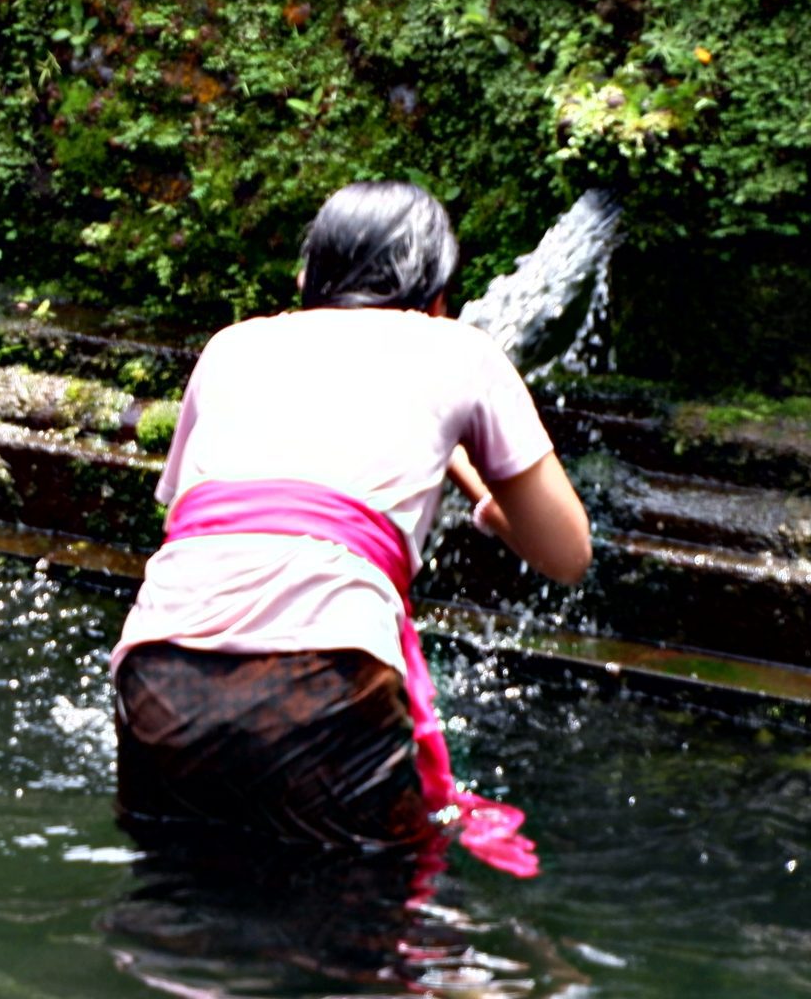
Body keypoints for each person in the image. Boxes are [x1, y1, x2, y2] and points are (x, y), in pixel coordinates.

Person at [112, 180, 591, 875]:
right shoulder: (458, 349)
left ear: (309, 278)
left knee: (187, 894)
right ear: (436, 297)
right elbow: (566, 554)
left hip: (156, 668)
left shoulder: (233, 349)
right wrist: (481, 493)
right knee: (376, 934)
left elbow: (201, 526)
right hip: (325, 672)